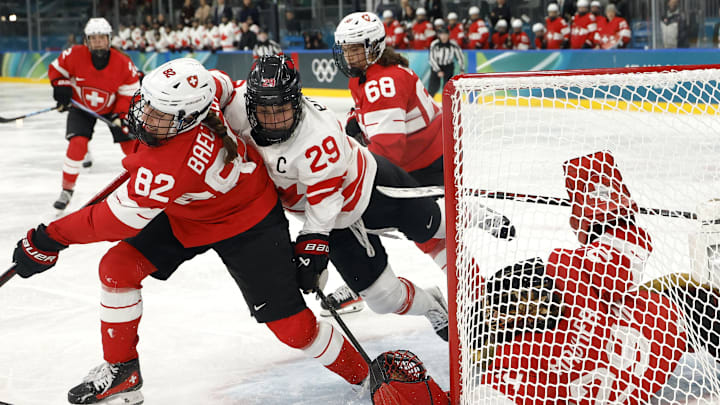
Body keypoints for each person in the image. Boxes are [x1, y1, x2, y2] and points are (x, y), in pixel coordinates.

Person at [11, 58, 371, 405]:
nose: (147, 117)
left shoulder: (171, 164)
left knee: (293, 329)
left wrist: (46, 239)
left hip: (249, 223)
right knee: (117, 269)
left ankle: (366, 378)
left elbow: (113, 220)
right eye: (148, 105)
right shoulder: (200, 96)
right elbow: (218, 83)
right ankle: (124, 372)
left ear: (189, 119)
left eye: (161, 114)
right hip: (192, 210)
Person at [230, 54, 450, 341]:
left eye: (281, 109)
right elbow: (215, 87)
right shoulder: (236, 107)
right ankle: (434, 306)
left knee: (437, 227)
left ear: (296, 101)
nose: (273, 120)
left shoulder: (317, 135)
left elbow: (325, 202)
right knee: (384, 299)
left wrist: (312, 246)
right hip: (331, 223)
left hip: (369, 188)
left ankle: (478, 217)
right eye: (263, 110)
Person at [331, 12, 514, 314]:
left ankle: (472, 231)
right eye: (345, 48)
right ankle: (473, 285)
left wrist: (354, 165)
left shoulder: (382, 83)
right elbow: (368, 111)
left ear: (374, 46)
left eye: (355, 48)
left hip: (429, 161)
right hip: (429, 154)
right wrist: (355, 122)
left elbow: (388, 152)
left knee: (424, 230)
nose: (348, 55)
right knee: (424, 233)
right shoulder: (370, 73)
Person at [477, 151, 688, 404]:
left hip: (650, 354)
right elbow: (619, 256)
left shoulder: (515, 368)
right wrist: (591, 181)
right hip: (665, 327)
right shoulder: (576, 289)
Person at [48, 17, 140, 211]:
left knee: (131, 146)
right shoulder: (73, 54)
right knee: (77, 144)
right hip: (81, 107)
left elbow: (130, 92)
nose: (98, 41)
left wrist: (121, 115)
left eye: (102, 37)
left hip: (112, 109)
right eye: (93, 38)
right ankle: (67, 189)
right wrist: (61, 88)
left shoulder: (123, 63)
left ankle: (142, 182)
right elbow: (57, 70)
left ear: (109, 39)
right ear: (86, 41)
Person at [428, 26, 464, 97]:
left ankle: (446, 104)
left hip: (448, 67)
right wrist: (438, 70)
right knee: (433, 87)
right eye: (442, 34)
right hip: (436, 66)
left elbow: (460, 57)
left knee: (447, 87)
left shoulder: (453, 44)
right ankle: (428, 104)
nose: (444, 36)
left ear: (448, 35)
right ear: (439, 35)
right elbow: (431, 58)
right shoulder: (434, 44)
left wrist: (462, 69)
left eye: (445, 34)